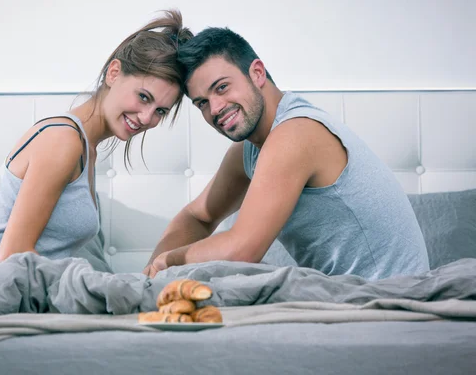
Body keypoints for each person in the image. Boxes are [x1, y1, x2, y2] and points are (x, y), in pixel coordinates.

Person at [144, 27, 429, 280]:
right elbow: (198, 217)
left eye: (222, 87)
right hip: (346, 297)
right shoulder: (251, 150)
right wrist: (149, 276)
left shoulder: (296, 133)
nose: (215, 108)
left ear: (257, 73)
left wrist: (168, 260)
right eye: (202, 103)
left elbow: (242, 250)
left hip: (391, 300)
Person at [0, 10, 193, 289]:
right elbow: (13, 255)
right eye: (143, 97)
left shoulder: (86, 148)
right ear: (114, 73)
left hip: (17, 291)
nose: (147, 118)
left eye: (159, 110)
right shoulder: (64, 140)